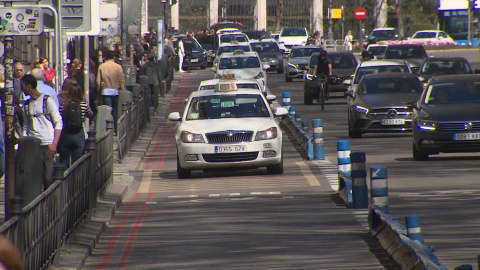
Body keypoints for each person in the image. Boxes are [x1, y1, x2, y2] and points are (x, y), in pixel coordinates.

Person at [20, 74, 63, 189]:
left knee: (48, 177)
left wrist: (54, 144)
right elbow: (26, 126)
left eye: (22, 86)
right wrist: (24, 143)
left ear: (29, 86)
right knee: (34, 179)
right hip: (33, 145)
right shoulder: (27, 105)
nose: (21, 89)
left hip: (47, 144)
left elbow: (58, 123)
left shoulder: (47, 101)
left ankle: (51, 203)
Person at [58, 82, 93, 169]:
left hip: (66, 134)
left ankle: (62, 180)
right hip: (79, 134)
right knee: (77, 163)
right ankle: (75, 182)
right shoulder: (83, 104)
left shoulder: (63, 105)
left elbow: (59, 116)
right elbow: (90, 114)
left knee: (64, 161)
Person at [97, 48, 125, 133]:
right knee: (115, 111)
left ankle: (108, 129)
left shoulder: (102, 66)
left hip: (106, 91)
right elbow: (121, 80)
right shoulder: (118, 67)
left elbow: (98, 81)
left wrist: (99, 90)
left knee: (108, 110)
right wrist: (123, 90)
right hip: (115, 91)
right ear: (113, 57)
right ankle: (116, 129)